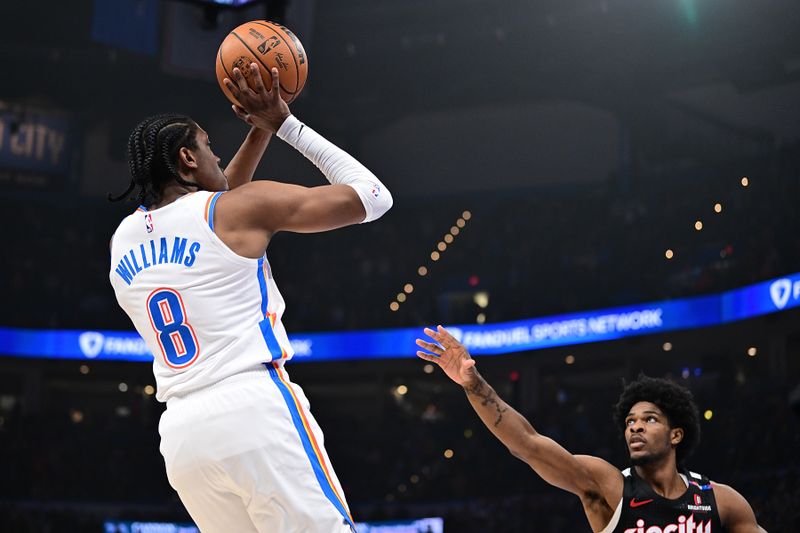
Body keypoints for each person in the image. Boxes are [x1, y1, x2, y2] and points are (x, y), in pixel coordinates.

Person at [108, 64, 392, 533]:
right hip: (252, 409)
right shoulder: (233, 212)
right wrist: (285, 125)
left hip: (183, 438)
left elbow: (214, 208)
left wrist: (257, 135)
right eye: (209, 148)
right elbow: (374, 197)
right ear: (187, 158)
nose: (219, 158)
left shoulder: (123, 239)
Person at [416, 326, 766, 533]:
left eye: (649, 419)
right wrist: (474, 384)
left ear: (676, 434)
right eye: (630, 421)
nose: (636, 427)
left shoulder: (720, 501)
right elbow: (527, 444)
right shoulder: (609, 485)